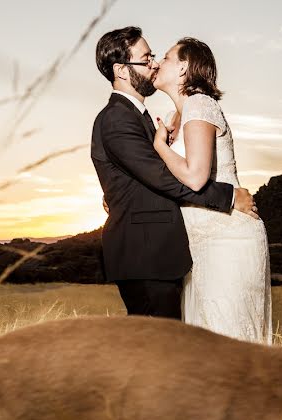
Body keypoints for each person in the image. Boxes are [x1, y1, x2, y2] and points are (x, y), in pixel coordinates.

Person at [91, 27, 256, 319]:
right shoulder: (117, 118)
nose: (154, 63)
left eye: (155, 57)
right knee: (158, 354)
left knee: (168, 351)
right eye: (146, 59)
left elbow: (143, 175)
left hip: (161, 253)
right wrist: (228, 197)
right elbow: (162, 178)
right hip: (146, 255)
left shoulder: (142, 118)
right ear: (122, 70)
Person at [152, 37, 272, 344]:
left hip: (227, 239)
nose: (156, 62)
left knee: (229, 343)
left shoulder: (199, 104)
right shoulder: (172, 119)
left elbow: (195, 177)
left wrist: (160, 149)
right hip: (196, 244)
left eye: (165, 58)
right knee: (204, 346)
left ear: (183, 67)